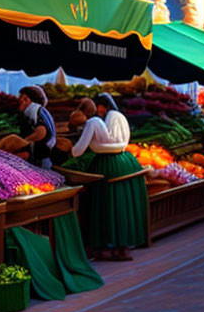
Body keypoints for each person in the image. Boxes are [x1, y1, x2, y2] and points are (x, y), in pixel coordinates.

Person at [71, 93, 147, 261]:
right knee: (120, 204)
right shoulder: (119, 117)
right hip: (126, 162)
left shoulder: (94, 122)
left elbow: (78, 151)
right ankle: (123, 245)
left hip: (107, 165)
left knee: (106, 204)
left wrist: (70, 148)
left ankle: (103, 245)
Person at [13, 85, 56, 169]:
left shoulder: (33, 109)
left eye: (21, 97)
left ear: (26, 99)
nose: (19, 100)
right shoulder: (40, 110)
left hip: (41, 157)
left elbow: (41, 132)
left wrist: (23, 142)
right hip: (44, 155)